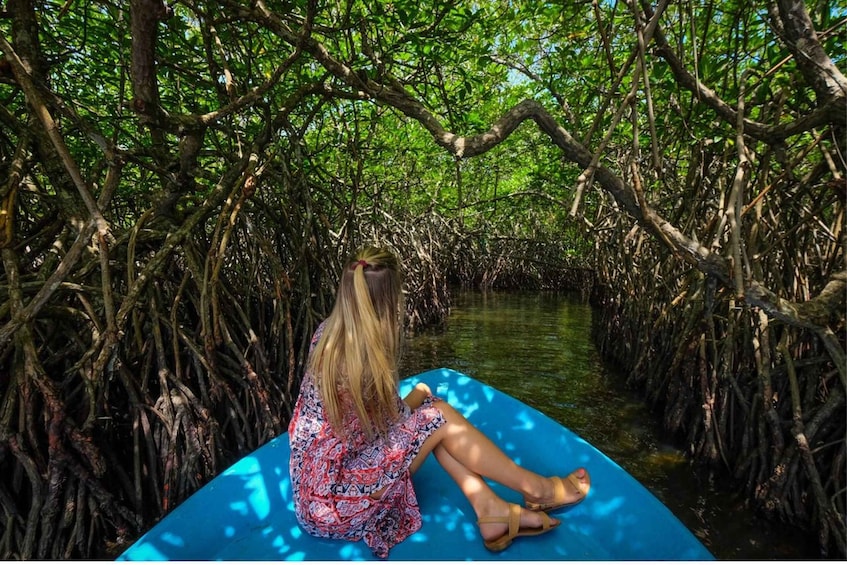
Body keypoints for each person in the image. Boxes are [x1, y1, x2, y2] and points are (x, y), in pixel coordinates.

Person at [288, 246, 591, 558]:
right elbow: (395, 419)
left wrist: (418, 399)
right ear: (391, 298)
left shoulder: (327, 334)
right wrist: (419, 394)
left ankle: (491, 509)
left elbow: (371, 427)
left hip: (315, 496)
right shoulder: (364, 360)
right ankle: (537, 490)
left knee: (430, 415)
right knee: (439, 414)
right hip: (344, 505)